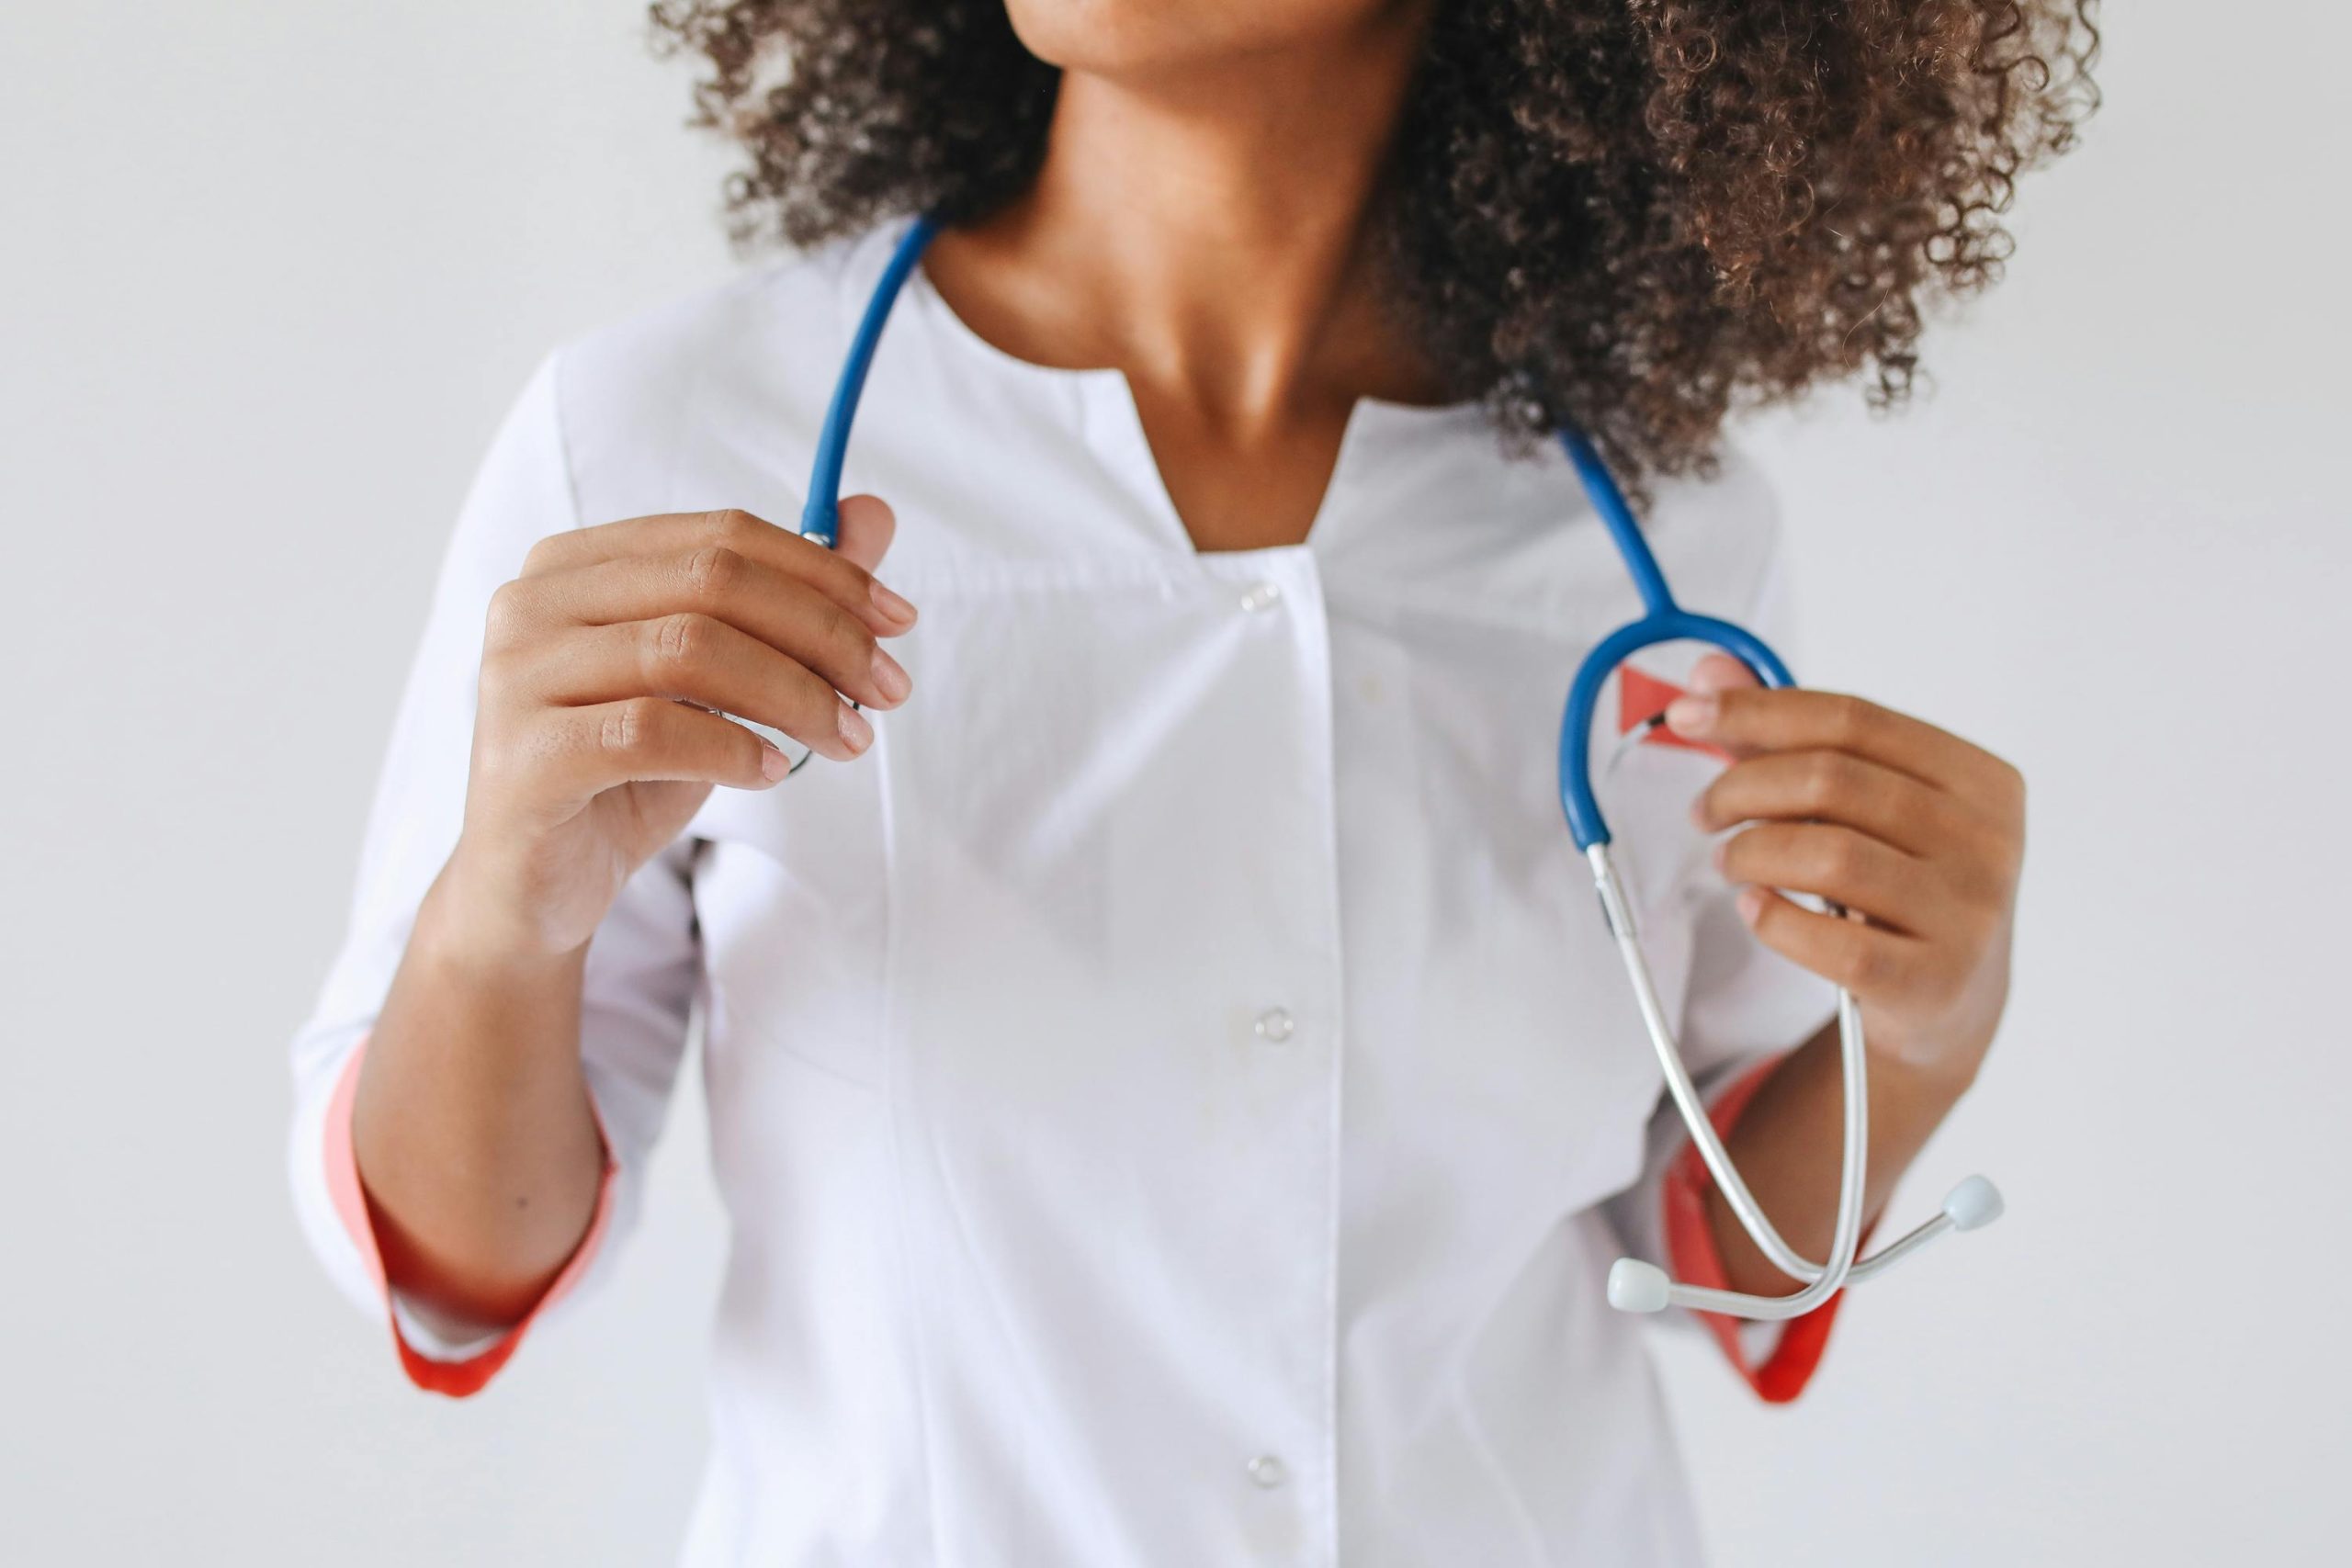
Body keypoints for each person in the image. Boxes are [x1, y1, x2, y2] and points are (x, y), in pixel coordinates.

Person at [288, 2, 2096, 1561]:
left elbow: (1706, 1243)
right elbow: (455, 1259)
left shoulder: (1658, 543)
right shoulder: (666, 443)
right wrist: (496, 908)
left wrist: (1921, 1027)